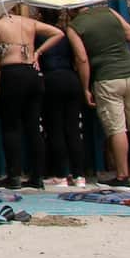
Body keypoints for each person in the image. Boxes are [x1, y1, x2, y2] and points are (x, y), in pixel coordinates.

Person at [69, 4, 130, 187]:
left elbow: (82, 58)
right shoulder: (110, 12)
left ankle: (122, 176)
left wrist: (85, 87)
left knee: (117, 128)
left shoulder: (74, 26)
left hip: (107, 77)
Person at [0, 5, 61, 190]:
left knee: (11, 126)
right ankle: (37, 176)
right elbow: (58, 33)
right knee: (33, 126)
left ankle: (14, 175)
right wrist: (37, 52)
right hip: (32, 74)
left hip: (12, 73)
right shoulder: (29, 22)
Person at [39, 18, 91, 188]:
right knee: (73, 128)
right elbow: (81, 58)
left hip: (51, 80)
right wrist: (85, 87)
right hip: (71, 79)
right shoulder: (69, 34)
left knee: (55, 129)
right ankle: (79, 176)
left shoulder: (39, 35)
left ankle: (61, 174)